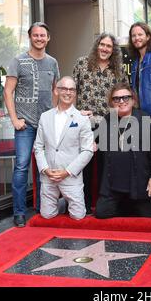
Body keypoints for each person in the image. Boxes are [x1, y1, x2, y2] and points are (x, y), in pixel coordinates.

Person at [4, 22, 60, 227]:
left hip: (46, 124)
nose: (39, 38)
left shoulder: (53, 62)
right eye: (35, 35)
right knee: (21, 166)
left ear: (48, 38)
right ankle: (19, 212)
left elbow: (56, 90)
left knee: (43, 167)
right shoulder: (18, 61)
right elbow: (8, 91)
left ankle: (40, 206)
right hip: (25, 125)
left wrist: (55, 115)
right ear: (30, 37)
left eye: (42, 35)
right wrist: (14, 119)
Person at [73, 32, 128, 215]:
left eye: (109, 46)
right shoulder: (82, 63)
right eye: (102, 45)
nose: (105, 49)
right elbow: (72, 91)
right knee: (85, 165)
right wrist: (75, 112)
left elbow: (125, 97)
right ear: (97, 45)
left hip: (109, 123)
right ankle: (86, 205)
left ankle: (106, 203)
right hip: (85, 123)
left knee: (107, 165)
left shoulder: (118, 70)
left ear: (114, 51)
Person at [95, 83, 151, 218]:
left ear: (133, 100)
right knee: (101, 213)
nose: (121, 101)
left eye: (126, 98)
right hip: (114, 186)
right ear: (112, 102)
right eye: (116, 99)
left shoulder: (146, 120)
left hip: (139, 185)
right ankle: (126, 205)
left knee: (150, 217)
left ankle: (130, 206)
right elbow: (95, 140)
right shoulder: (107, 120)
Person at [34, 76, 93, 220]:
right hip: (49, 176)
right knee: (47, 216)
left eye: (72, 89)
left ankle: (65, 201)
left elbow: (88, 150)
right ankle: (60, 202)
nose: (68, 92)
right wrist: (46, 170)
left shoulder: (82, 118)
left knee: (78, 217)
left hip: (70, 176)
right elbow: (38, 147)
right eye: (64, 88)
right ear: (56, 91)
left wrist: (67, 172)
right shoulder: (45, 117)